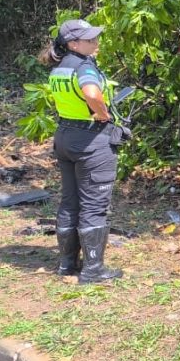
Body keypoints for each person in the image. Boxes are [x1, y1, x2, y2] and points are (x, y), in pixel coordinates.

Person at [38, 19, 124, 284]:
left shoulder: (59, 68)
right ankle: (93, 270)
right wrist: (103, 114)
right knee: (94, 205)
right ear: (73, 44)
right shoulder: (84, 67)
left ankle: (67, 264)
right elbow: (93, 94)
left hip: (65, 135)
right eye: (90, 39)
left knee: (70, 201)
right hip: (90, 139)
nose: (96, 43)